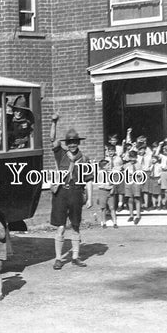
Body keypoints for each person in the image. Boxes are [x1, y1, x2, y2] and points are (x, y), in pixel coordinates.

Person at [50, 113, 92, 270]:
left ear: (78, 143)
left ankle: (75, 257)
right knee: (60, 226)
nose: (72, 144)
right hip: (61, 193)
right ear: (66, 143)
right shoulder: (61, 154)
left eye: (75, 142)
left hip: (76, 193)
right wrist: (54, 122)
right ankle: (58, 259)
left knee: (75, 225)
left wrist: (89, 198)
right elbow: (52, 139)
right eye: (70, 142)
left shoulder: (85, 159)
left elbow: (88, 179)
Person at [96, 159, 117, 229]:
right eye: (108, 165)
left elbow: (113, 182)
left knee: (112, 207)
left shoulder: (110, 173)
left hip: (110, 191)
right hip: (103, 191)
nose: (109, 166)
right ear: (104, 166)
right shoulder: (100, 173)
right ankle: (104, 222)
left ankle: (114, 222)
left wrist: (112, 188)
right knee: (103, 208)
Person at [124, 150, 142, 224]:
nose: (132, 159)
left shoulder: (139, 165)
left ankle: (138, 216)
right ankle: (131, 215)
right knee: (130, 199)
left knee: (137, 199)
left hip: (136, 183)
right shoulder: (126, 165)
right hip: (128, 183)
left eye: (133, 158)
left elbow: (140, 175)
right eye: (130, 157)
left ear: (136, 157)